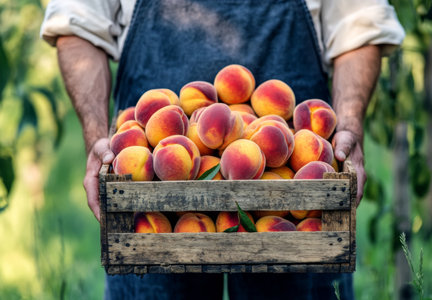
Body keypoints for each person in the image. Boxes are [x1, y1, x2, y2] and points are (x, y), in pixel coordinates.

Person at [41, 0, 404, 299]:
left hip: (296, 192)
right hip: (152, 205)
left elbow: (360, 24)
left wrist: (350, 126)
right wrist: (95, 139)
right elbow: (78, 21)